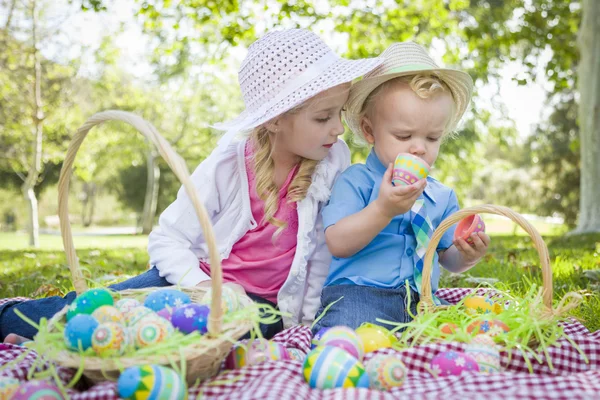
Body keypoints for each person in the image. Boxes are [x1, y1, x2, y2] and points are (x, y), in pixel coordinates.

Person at [1, 28, 382, 343]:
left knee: (184, 337)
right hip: (194, 282)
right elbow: (168, 240)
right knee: (110, 307)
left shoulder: (333, 159)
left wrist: (301, 322)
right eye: (323, 117)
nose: (338, 128)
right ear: (274, 120)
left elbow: (318, 253)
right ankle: (18, 322)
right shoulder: (229, 164)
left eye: (341, 113)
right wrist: (207, 288)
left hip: (258, 308)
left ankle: (51, 340)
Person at [311, 42, 490, 333]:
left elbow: (447, 258)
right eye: (404, 135)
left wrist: (466, 255)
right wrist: (382, 209)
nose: (419, 148)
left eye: (433, 138)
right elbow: (338, 243)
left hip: (423, 301)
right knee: (348, 333)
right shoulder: (356, 180)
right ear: (370, 131)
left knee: (459, 334)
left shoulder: (441, 196)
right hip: (361, 294)